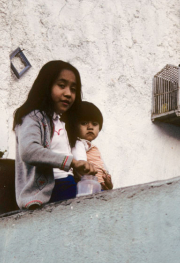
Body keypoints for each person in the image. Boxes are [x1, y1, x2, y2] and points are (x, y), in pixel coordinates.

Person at [13, 60, 96, 210]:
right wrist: (73, 162)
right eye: (61, 85)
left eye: (73, 89)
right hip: (50, 190)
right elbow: (29, 151)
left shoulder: (60, 122)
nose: (68, 94)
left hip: (68, 184)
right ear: (46, 86)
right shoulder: (33, 117)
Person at [68, 101, 113, 190]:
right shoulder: (79, 143)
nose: (90, 127)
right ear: (74, 126)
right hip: (89, 186)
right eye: (84, 123)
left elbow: (102, 166)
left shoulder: (92, 147)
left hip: (100, 187)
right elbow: (82, 165)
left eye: (94, 124)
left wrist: (108, 181)